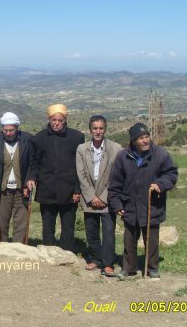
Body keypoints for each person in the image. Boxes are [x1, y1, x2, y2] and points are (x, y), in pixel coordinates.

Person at [108, 123, 178, 278]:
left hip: (151, 205)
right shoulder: (123, 156)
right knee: (129, 239)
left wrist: (160, 184)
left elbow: (171, 174)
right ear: (133, 141)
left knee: (151, 240)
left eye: (147, 136)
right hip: (130, 205)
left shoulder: (160, 154)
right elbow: (115, 184)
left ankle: (152, 268)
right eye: (141, 138)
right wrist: (117, 204)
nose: (146, 140)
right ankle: (129, 268)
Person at [26, 104, 84, 252]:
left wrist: (78, 189)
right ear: (49, 119)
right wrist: (32, 177)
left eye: (60, 120)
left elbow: (80, 166)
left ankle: (68, 253)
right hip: (47, 189)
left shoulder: (77, 137)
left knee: (68, 227)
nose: (56, 123)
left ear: (65, 120)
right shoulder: (39, 138)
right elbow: (35, 163)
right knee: (48, 227)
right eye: (53, 119)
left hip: (69, 190)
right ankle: (49, 253)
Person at [76, 115, 122, 276]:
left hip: (108, 198)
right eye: (94, 128)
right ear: (90, 130)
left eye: (101, 128)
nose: (98, 131)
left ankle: (108, 263)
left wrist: (102, 197)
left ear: (105, 129)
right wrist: (91, 197)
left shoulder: (116, 149)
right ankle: (95, 258)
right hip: (89, 198)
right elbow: (81, 175)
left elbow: (117, 176)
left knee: (109, 232)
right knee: (91, 231)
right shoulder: (82, 149)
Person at [0, 112, 34, 243]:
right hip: (2, 188)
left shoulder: (28, 139)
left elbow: (32, 162)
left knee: (21, 222)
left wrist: (30, 179)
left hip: (21, 188)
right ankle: (0, 248)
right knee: (0, 221)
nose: (8, 133)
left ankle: (19, 249)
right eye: (5, 130)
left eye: (11, 130)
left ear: (17, 128)